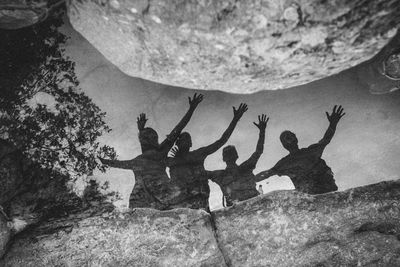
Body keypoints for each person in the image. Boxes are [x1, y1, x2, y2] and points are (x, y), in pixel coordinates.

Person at [98, 93, 203, 210]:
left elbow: (178, 129)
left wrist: (191, 109)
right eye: (147, 137)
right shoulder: (139, 160)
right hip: (143, 197)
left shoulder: (160, 152)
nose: (151, 139)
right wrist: (141, 130)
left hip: (163, 195)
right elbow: (121, 163)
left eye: (153, 137)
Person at [167, 103, 248, 211]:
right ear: (177, 143)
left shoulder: (198, 154)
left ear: (191, 143)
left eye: (188, 139)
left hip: (200, 202)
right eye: (182, 139)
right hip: (179, 204)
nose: (186, 141)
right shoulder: (171, 161)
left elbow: (221, 141)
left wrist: (235, 119)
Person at [256, 105, 345, 194]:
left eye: (291, 135)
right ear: (284, 145)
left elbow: (326, 139)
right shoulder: (284, 163)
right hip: (309, 196)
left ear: (296, 138)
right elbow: (267, 173)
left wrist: (333, 124)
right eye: (286, 137)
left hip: (327, 191)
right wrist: (249, 179)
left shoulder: (311, 151)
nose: (289, 137)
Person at [209, 114, 268, 207]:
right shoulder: (220, 174)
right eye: (227, 154)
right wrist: (262, 131)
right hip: (241, 210)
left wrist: (262, 132)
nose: (229, 155)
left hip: (255, 206)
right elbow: (258, 152)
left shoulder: (244, 168)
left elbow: (258, 152)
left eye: (231, 153)